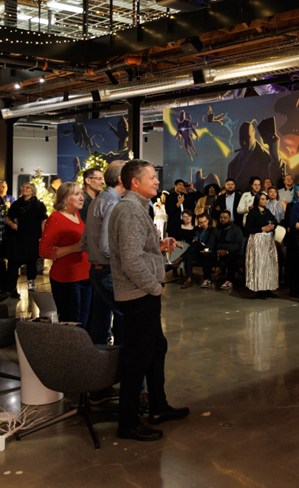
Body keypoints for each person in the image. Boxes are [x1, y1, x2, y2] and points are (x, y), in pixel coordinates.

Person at [108, 159, 189, 440]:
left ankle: (158, 407)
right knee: (137, 358)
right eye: (152, 177)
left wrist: (158, 246)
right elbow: (130, 260)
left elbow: (136, 248)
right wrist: (154, 286)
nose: (157, 181)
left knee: (156, 348)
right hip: (139, 294)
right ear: (135, 182)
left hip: (142, 293)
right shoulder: (130, 210)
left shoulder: (137, 207)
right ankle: (128, 423)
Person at [81, 161, 126, 346]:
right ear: (121, 178)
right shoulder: (113, 202)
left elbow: (85, 242)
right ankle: (122, 362)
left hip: (98, 270)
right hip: (109, 271)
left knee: (100, 323)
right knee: (125, 318)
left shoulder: (99, 199)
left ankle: (99, 361)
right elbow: (107, 248)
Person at [39, 182, 91, 324]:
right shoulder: (56, 219)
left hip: (85, 276)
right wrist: (74, 248)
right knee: (72, 323)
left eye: (81, 194)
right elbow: (44, 252)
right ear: (65, 198)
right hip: (67, 279)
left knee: (83, 323)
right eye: (77, 194)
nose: (82, 198)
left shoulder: (77, 215)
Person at [5, 183, 48, 298]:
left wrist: (43, 236)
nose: (24, 189)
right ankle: (12, 288)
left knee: (31, 261)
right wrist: (11, 224)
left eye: (27, 187)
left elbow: (43, 221)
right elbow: (8, 217)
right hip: (17, 236)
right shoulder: (16, 204)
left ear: (32, 191)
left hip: (32, 236)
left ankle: (31, 283)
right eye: (23, 187)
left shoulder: (38, 205)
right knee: (13, 262)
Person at [245, 192, 279, 299]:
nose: (265, 201)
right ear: (258, 200)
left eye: (266, 199)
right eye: (263, 199)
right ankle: (260, 290)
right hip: (257, 241)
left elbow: (275, 222)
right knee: (260, 265)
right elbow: (248, 229)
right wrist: (261, 228)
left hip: (268, 241)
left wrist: (272, 226)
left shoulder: (267, 211)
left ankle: (268, 288)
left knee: (269, 265)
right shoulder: (253, 213)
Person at [178, 214, 216, 289]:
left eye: (205, 221)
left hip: (207, 250)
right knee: (189, 254)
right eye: (201, 222)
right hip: (198, 251)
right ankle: (189, 278)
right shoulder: (197, 230)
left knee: (196, 244)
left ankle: (180, 258)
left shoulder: (212, 230)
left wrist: (203, 244)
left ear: (208, 221)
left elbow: (212, 242)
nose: (203, 224)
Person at [213, 211, 244, 290]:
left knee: (231, 257)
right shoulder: (217, 229)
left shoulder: (236, 229)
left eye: (225, 218)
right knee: (209, 255)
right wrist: (213, 250)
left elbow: (238, 245)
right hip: (219, 251)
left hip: (233, 251)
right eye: (221, 218)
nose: (222, 219)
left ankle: (229, 280)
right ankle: (207, 279)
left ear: (229, 219)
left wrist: (227, 251)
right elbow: (212, 242)